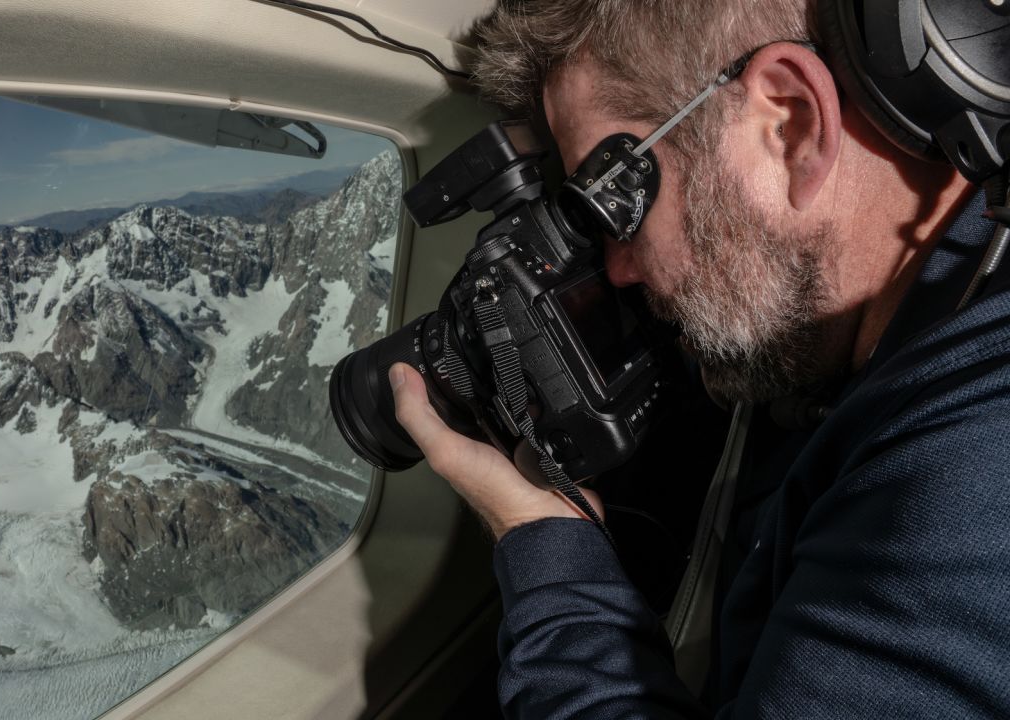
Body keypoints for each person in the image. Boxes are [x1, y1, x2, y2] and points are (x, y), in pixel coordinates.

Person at [387, 1, 1010, 717]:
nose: (616, 268)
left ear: (790, 124)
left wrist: (544, 545)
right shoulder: (894, 332)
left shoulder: (971, 482)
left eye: (611, 202)